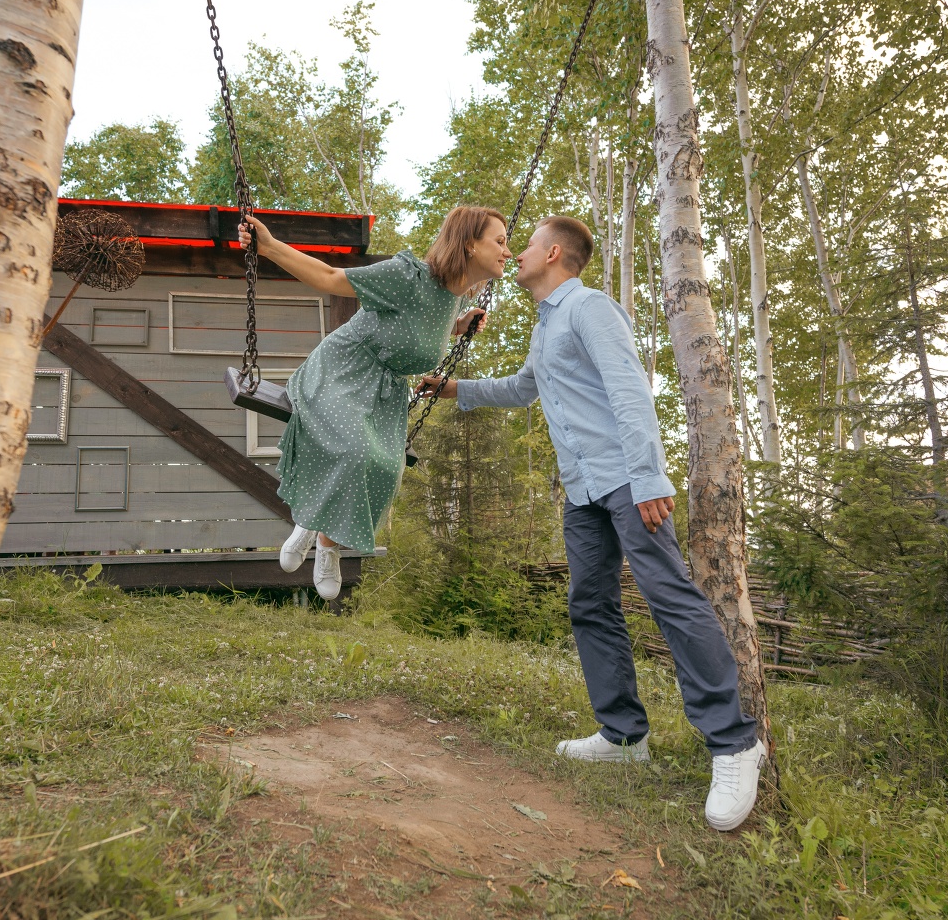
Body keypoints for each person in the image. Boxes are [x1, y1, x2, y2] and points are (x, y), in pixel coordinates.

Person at [418, 216, 766, 831]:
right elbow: (524, 388)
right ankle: (625, 735)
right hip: (582, 490)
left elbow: (630, 389)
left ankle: (734, 744)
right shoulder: (547, 325)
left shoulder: (591, 309)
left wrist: (651, 475)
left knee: (669, 597)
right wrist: (451, 390)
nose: (516, 254)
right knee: (590, 603)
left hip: (628, 480)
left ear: (553, 254)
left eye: (524, 246)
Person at [237, 207, 506, 601]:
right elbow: (330, 278)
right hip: (344, 370)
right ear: (469, 243)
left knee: (387, 467)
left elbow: (419, 323)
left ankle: (315, 528)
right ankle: (323, 543)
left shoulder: (453, 295)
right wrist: (270, 247)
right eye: (499, 241)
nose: (507, 251)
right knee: (355, 449)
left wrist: (459, 324)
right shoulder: (407, 276)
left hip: (385, 391)